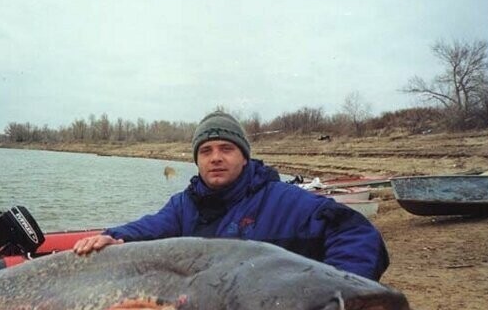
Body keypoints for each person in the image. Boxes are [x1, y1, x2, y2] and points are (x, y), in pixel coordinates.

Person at [73, 110, 389, 281]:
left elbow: (357, 234)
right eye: (206, 151)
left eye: (226, 148)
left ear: (244, 157)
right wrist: (114, 237)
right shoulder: (184, 206)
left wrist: (339, 290)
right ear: (197, 160)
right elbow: (149, 227)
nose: (216, 157)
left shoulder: (283, 200)